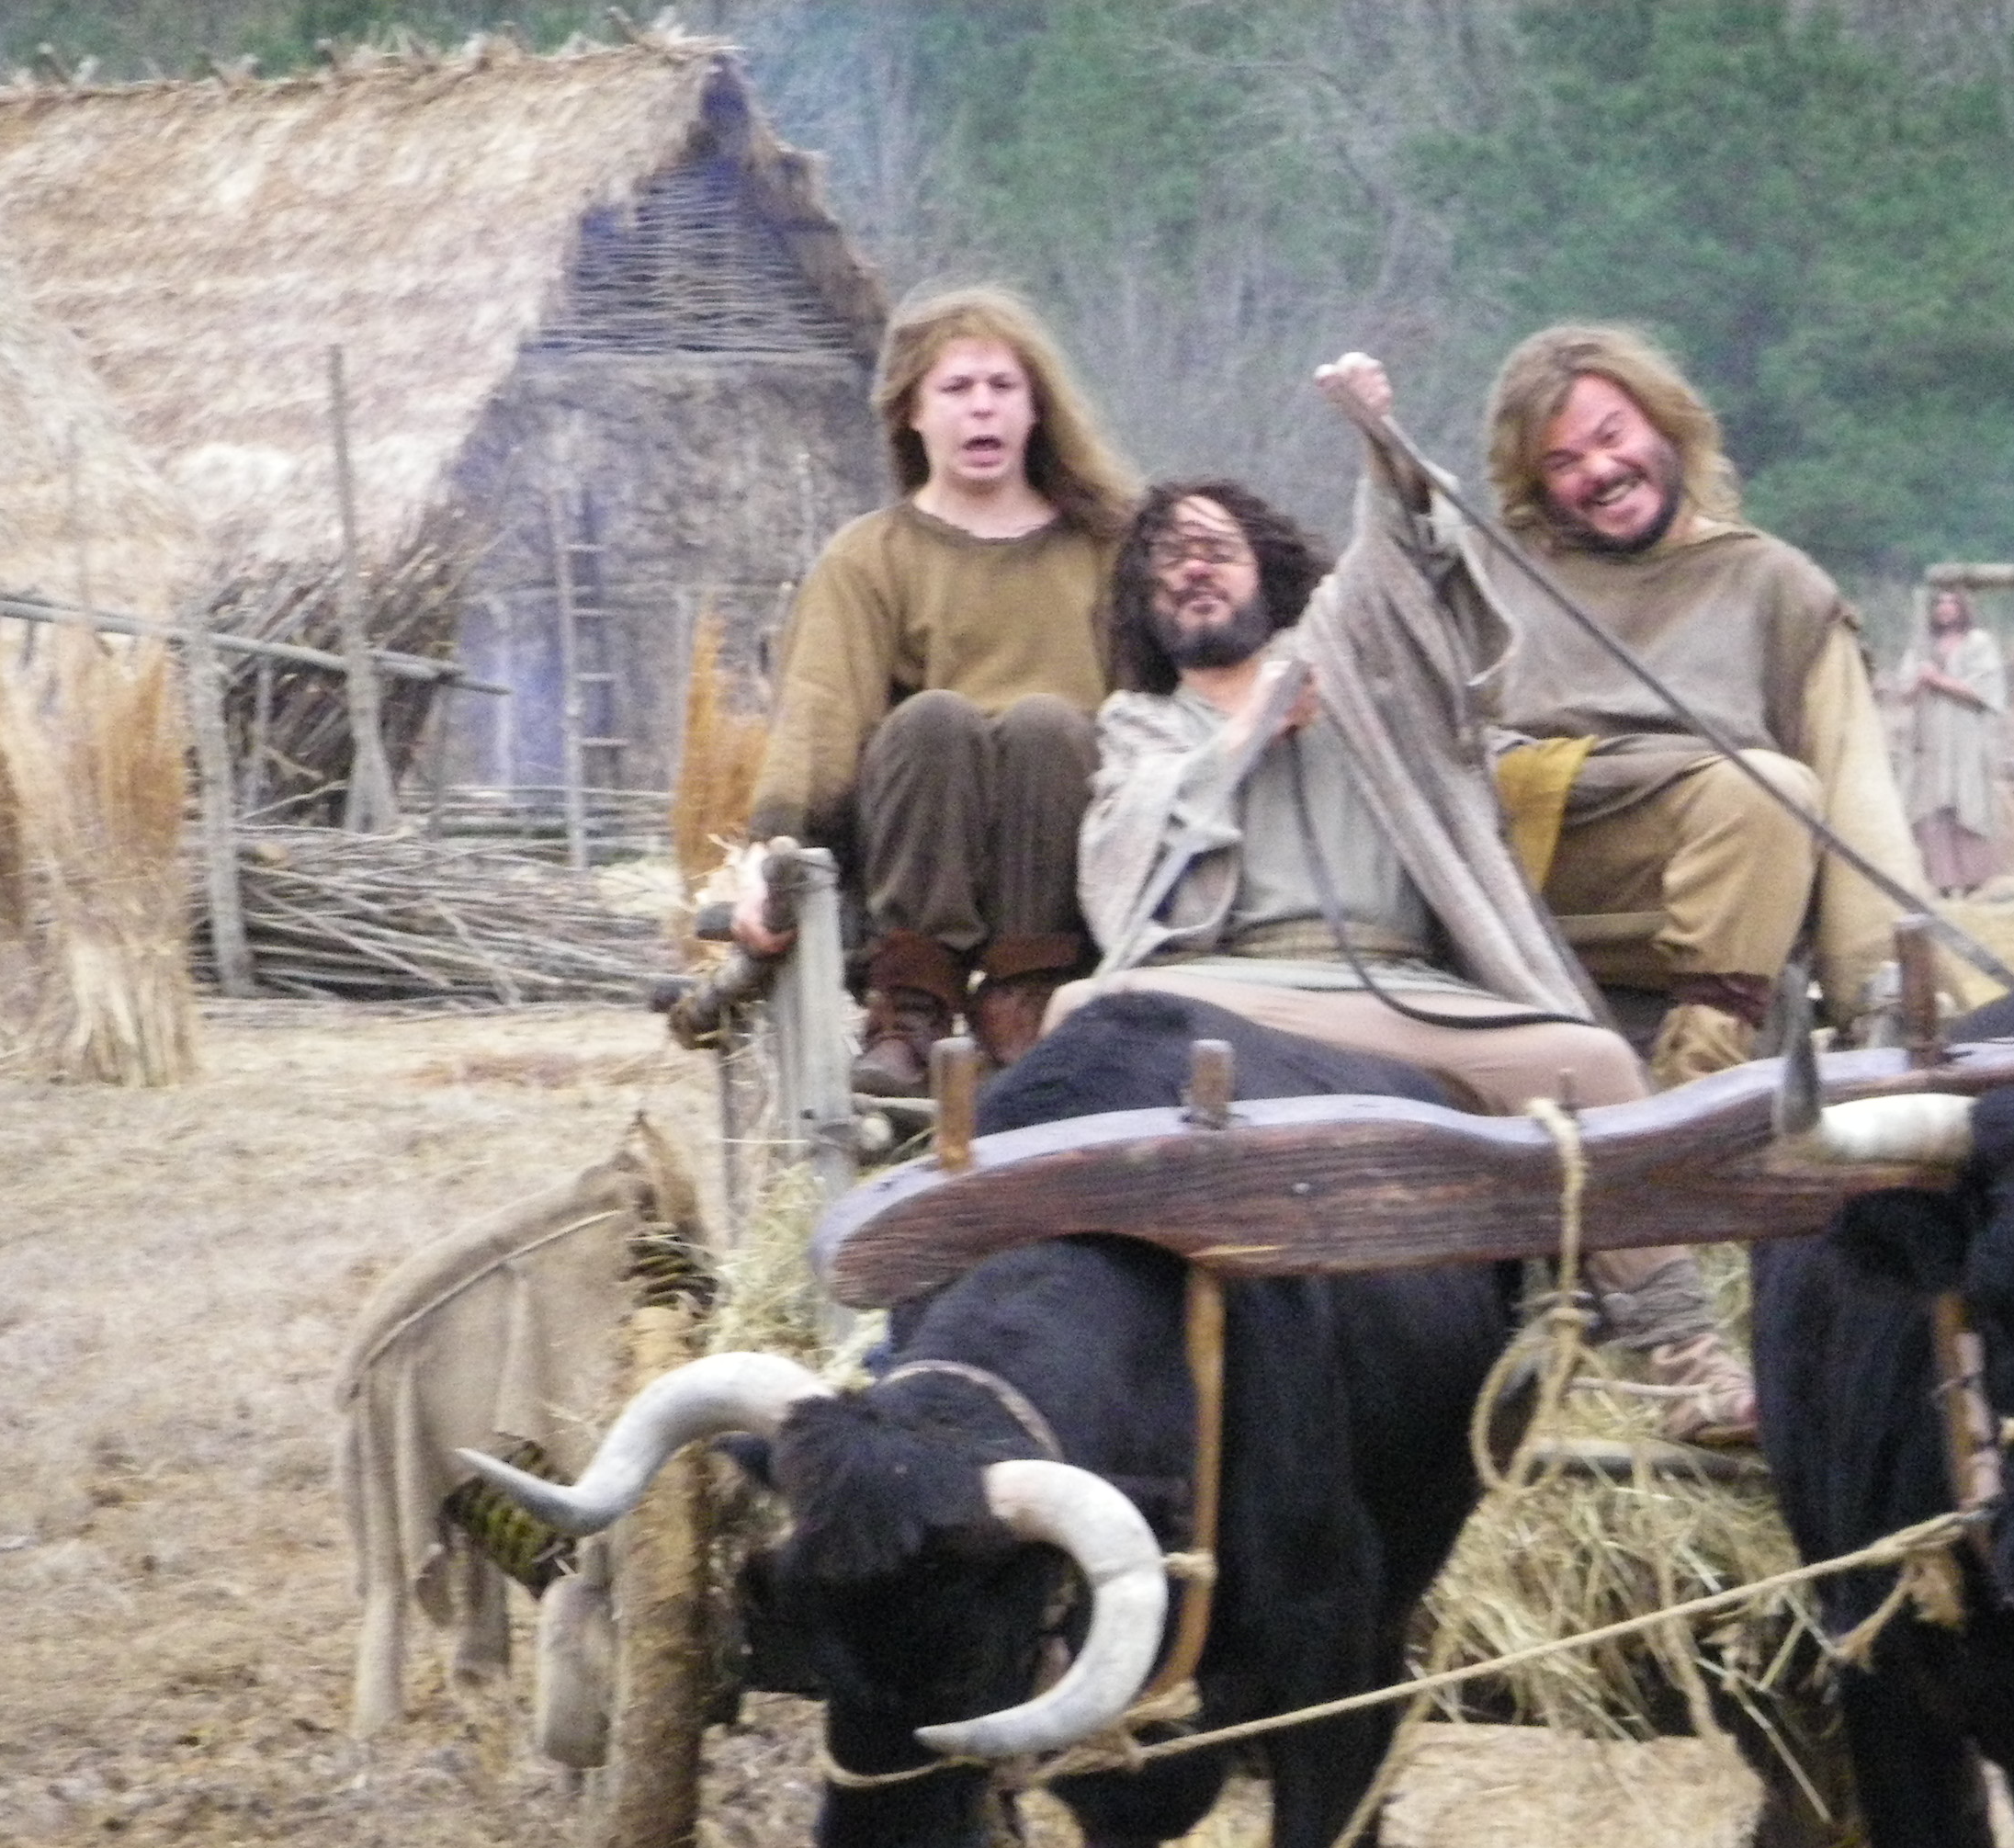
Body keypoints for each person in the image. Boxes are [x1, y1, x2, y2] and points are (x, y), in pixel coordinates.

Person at [1049, 358, 1756, 1442]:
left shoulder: (1346, 657)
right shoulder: (1143, 724)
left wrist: (1381, 445)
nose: (1192, 572)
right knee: (1076, 1024)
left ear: (1268, 571)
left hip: (1389, 985)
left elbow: (1405, 567)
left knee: (1594, 1064)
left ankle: (1685, 1363)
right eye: (1166, 562)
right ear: (1146, 605)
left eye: (1214, 550)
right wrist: (1244, 736)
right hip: (1216, 989)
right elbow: (1119, 871)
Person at [1474, 326, 1933, 1083]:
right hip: (1520, 899)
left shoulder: (1778, 589)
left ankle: (1694, 1085)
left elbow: (1859, 811)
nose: (1600, 470)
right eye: (1562, 462)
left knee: (1771, 793)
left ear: (1666, 423)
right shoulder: (1491, 574)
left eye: (1611, 435)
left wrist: (1892, 1005)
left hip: (1723, 909)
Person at [738, 285, 1137, 1092]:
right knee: (935, 721)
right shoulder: (868, 558)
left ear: (1035, 409)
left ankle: (1030, 998)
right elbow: (819, 720)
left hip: (1071, 845)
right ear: (914, 414)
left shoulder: (1108, 547)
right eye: (956, 390)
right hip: (920, 843)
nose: (980, 410)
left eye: (1001, 388)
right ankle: (912, 1007)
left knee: (1044, 727)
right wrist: (765, 855)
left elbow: (1156, 709)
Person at [1896, 585, 2014, 897]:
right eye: (1940, 602)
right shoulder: (1923, 646)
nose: (1945, 608)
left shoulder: (1978, 643)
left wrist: (1938, 680)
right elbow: (1905, 690)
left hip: (1965, 736)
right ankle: (1943, 881)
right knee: (1932, 806)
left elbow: (1983, 690)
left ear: (1963, 607)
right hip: (1931, 739)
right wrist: (1918, 682)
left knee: (1968, 801)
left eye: (1952, 602)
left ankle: (1974, 880)